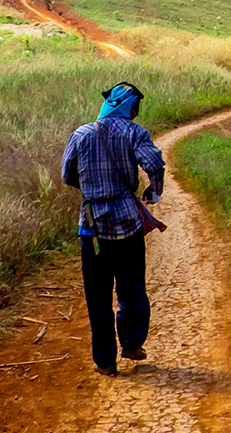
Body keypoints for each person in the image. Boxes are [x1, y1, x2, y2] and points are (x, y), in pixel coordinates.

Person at [61, 81, 166, 375]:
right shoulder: (135, 133)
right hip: (128, 226)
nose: (136, 113)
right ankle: (132, 343)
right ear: (128, 107)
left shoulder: (80, 134)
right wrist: (153, 193)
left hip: (91, 228)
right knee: (132, 287)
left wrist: (93, 190)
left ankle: (105, 362)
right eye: (135, 107)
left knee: (98, 296)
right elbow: (154, 165)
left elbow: (67, 174)